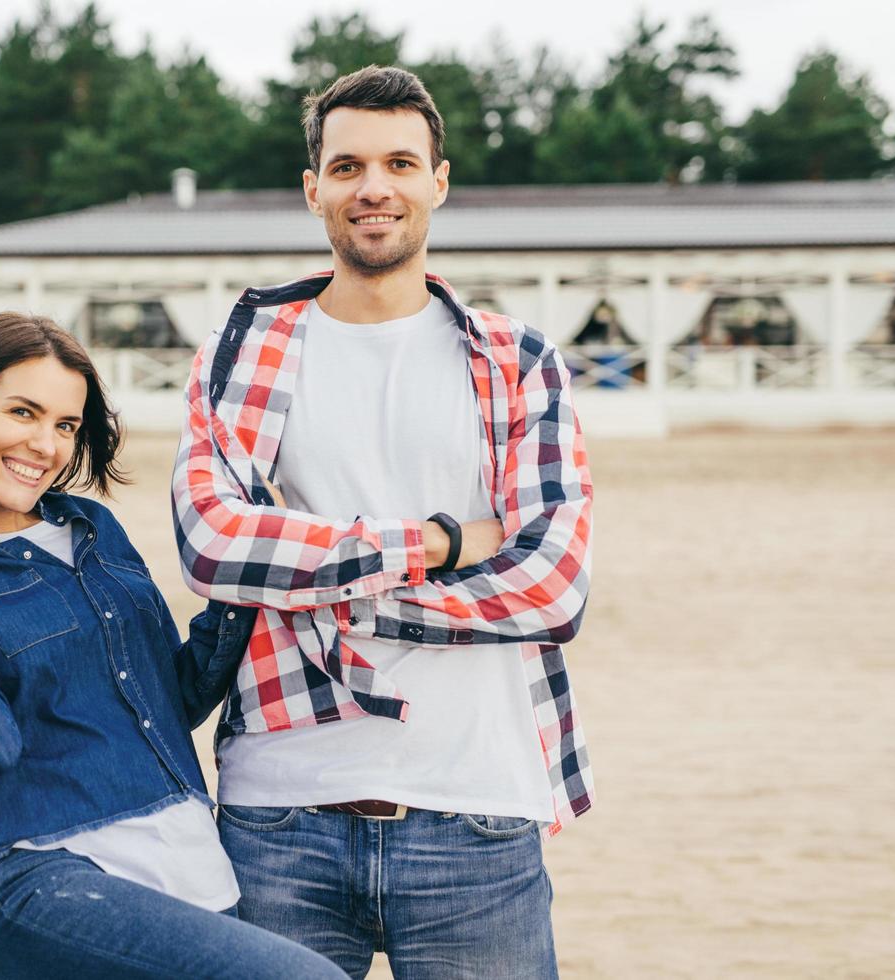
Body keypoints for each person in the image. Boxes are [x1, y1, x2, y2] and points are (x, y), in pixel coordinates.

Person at [171, 66, 595, 978]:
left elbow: (553, 587)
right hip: (278, 817)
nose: (375, 187)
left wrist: (327, 596)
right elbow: (211, 543)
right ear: (313, 187)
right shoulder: (244, 350)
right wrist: (439, 543)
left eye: (401, 162)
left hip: (477, 811)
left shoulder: (515, 362)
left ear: (438, 181)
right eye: (349, 165)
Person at [0, 313, 342, 980]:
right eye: (23, 412)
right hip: (46, 879)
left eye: (65, 425)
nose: (45, 444)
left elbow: (170, 699)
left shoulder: (93, 528)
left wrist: (248, 564)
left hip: (190, 871)